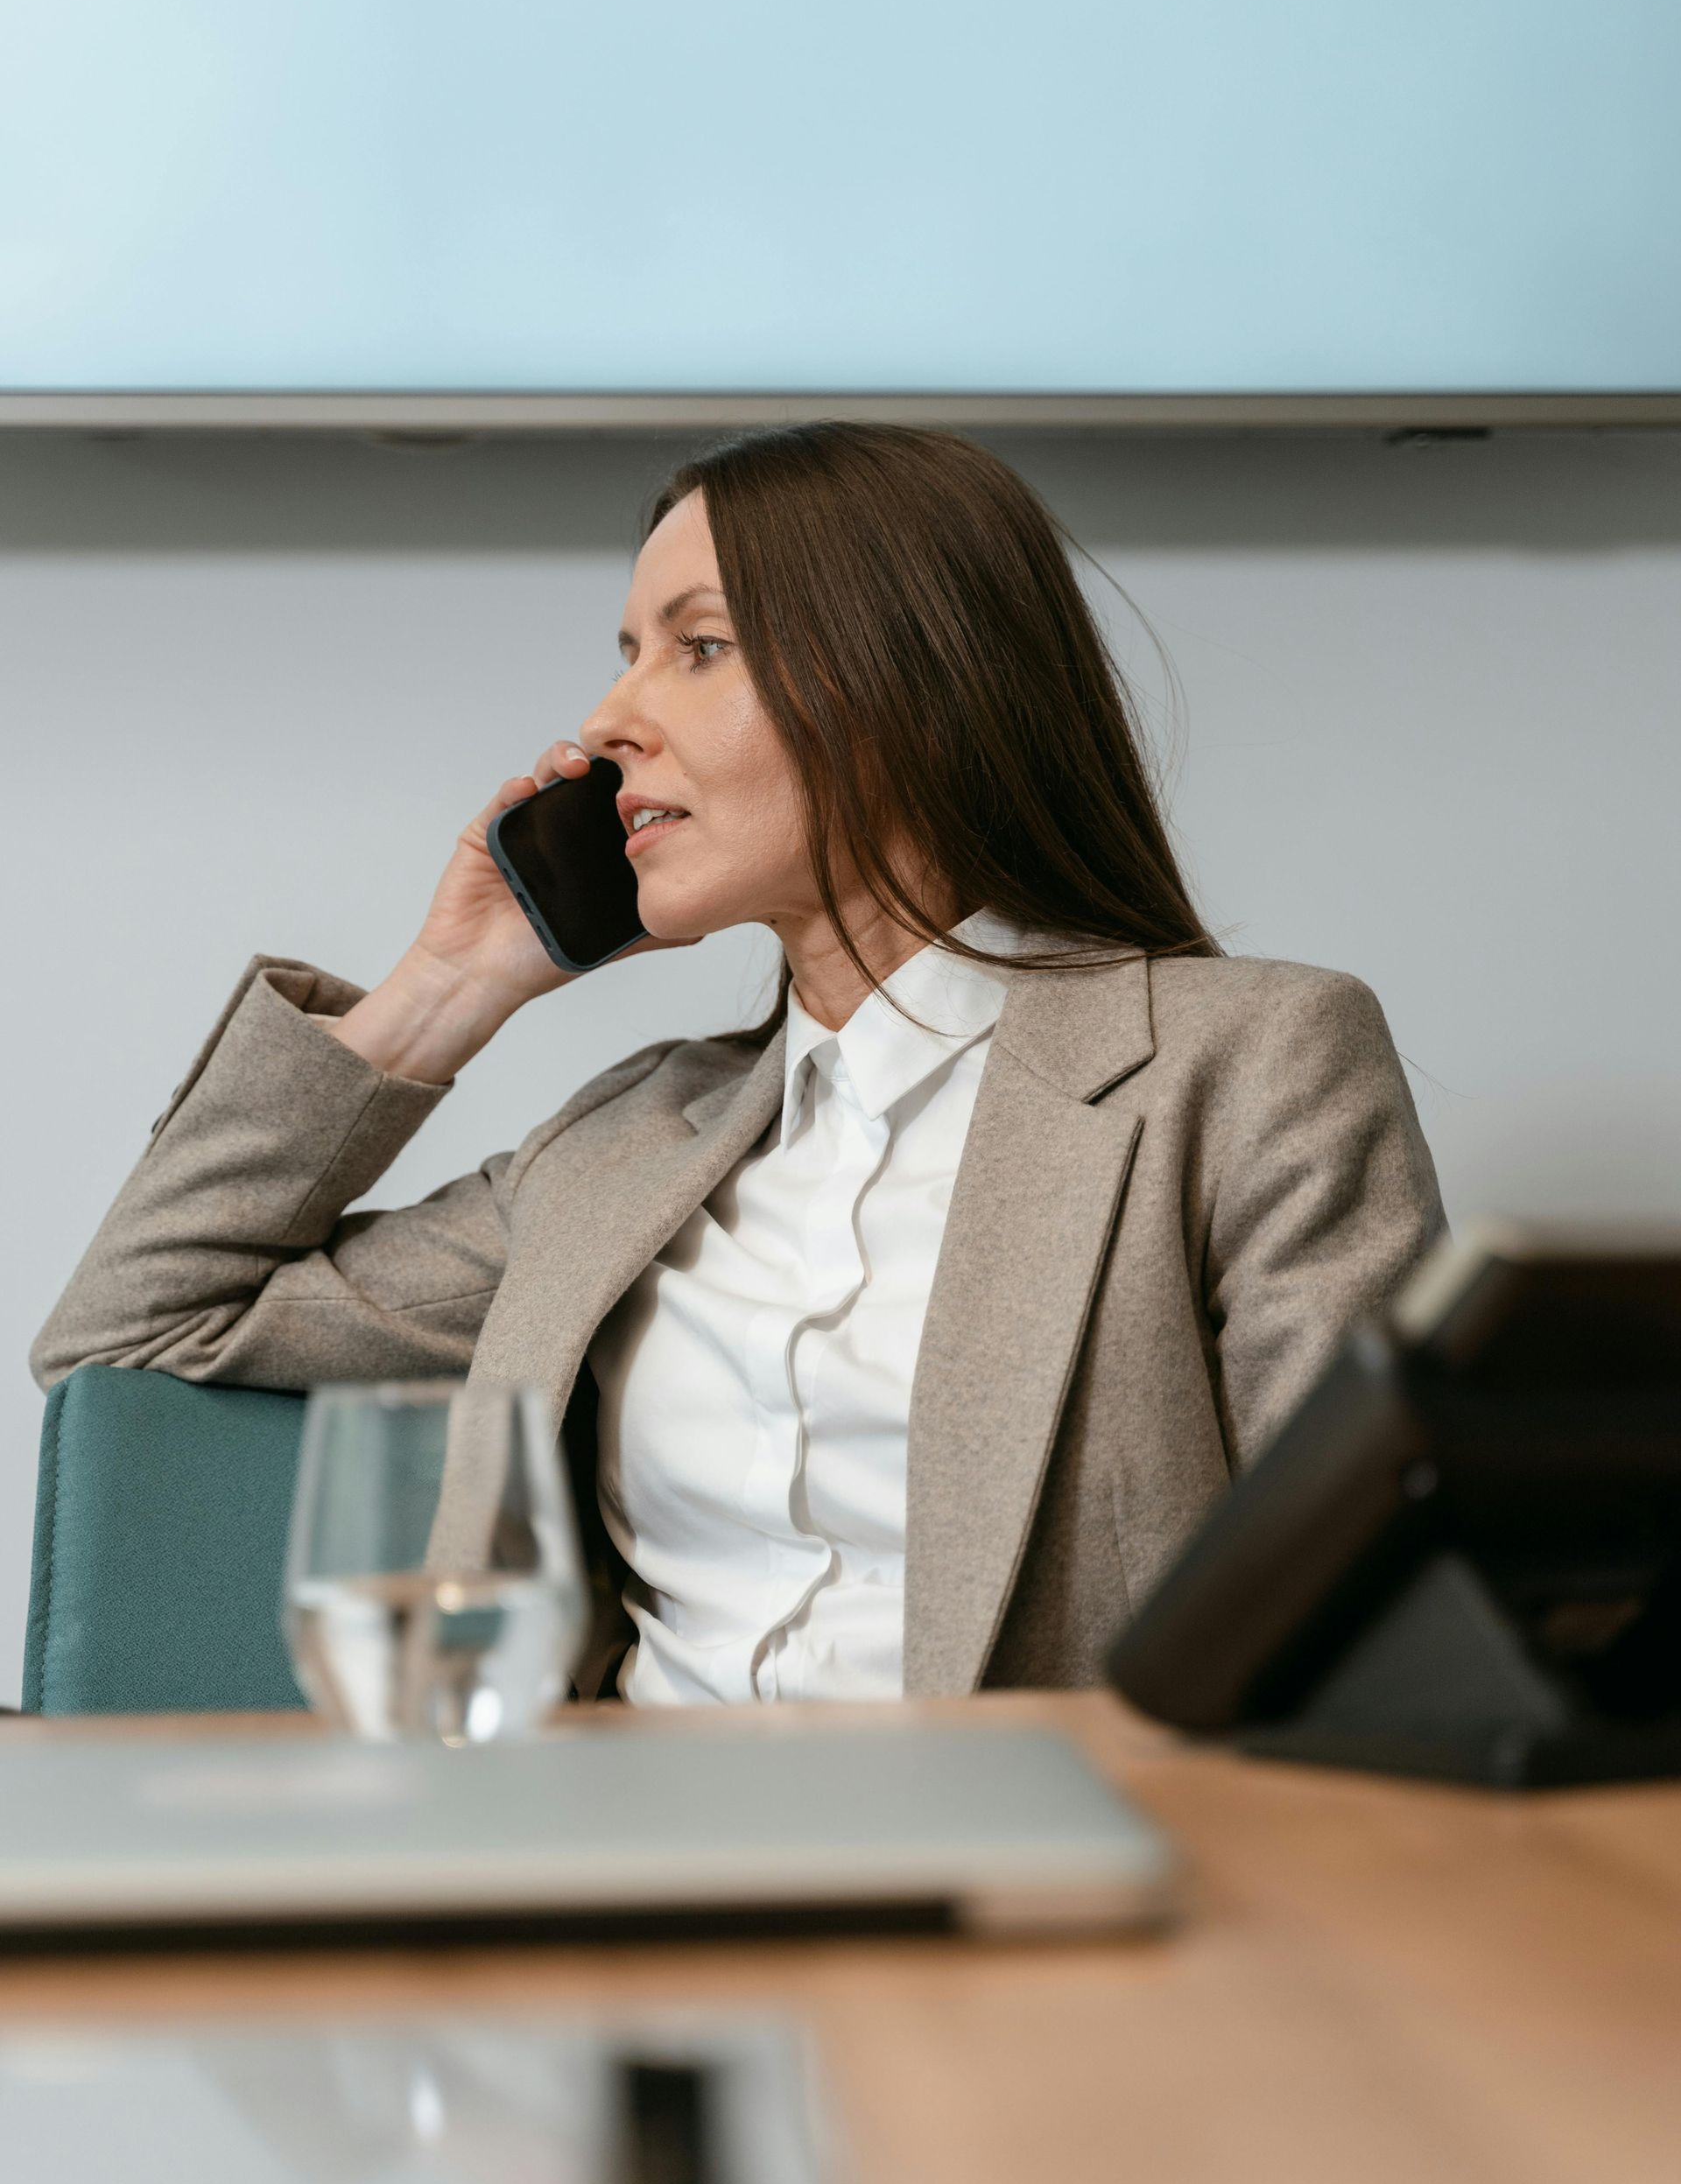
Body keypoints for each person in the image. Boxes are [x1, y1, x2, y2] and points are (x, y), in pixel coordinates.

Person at [32, 423, 1444, 1703]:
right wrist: (446, 991)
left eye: (697, 648)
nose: (606, 721)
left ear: (916, 684)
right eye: (627, 649)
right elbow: (135, 1323)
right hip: (613, 1897)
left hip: (1037, 1912)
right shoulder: (623, 1146)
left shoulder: (1247, 1065)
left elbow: (1376, 1617)